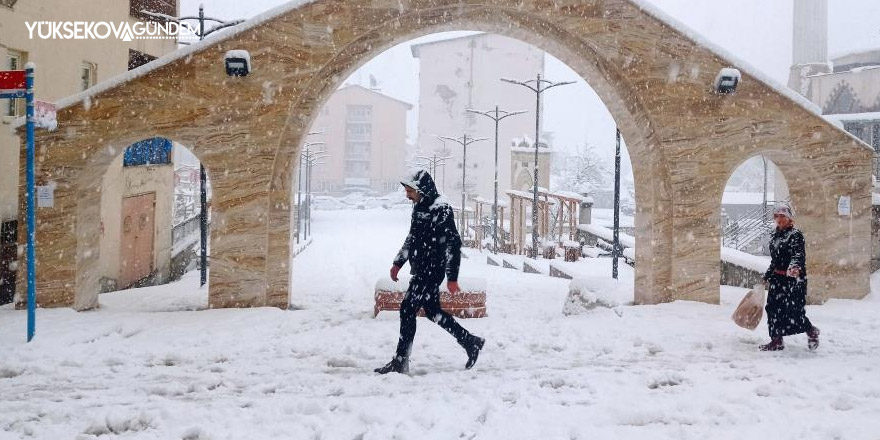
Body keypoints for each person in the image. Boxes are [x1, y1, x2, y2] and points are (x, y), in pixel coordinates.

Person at [375, 170, 485, 374]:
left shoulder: (441, 209)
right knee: (433, 311)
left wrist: (452, 277)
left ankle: (400, 361)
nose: (407, 195)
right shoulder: (419, 207)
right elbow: (412, 237)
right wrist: (398, 262)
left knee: (407, 309)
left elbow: (453, 244)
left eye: (410, 191)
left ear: (421, 189)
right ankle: (470, 341)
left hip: (432, 270)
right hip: (421, 268)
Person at [759, 204, 820, 351]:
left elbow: (798, 254)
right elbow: (775, 260)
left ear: (789, 218)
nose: (779, 219)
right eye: (777, 216)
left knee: (793, 311)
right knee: (772, 309)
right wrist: (766, 276)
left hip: (793, 280)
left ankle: (811, 331)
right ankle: (776, 340)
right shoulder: (774, 236)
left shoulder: (795, 235)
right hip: (777, 280)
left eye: (782, 216)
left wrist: (794, 267)